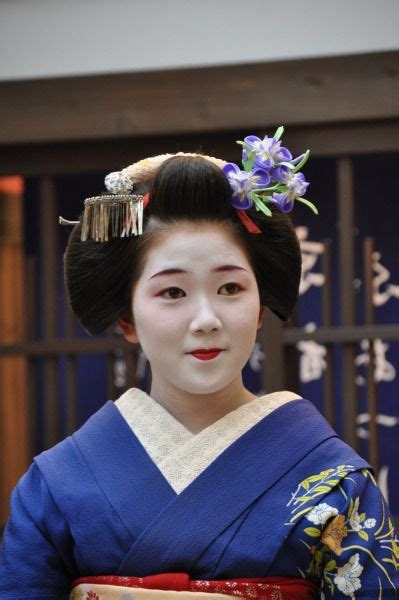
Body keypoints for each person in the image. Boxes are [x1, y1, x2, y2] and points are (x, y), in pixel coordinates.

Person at [0, 130, 397, 599]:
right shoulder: (57, 483)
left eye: (230, 288)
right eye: (172, 292)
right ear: (127, 317)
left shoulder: (334, 480)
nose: (207, 319)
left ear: (260, 307)